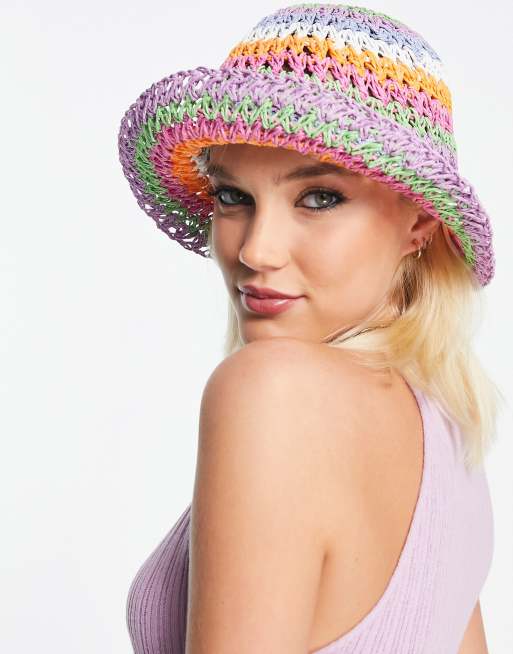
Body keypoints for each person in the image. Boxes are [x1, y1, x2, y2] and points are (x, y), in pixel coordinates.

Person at [118, 3, 504, 652]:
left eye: (319, 198)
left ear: (419, 222)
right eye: (232, 196)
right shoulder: (449, 438)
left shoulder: (272, 390)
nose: (255, 250)